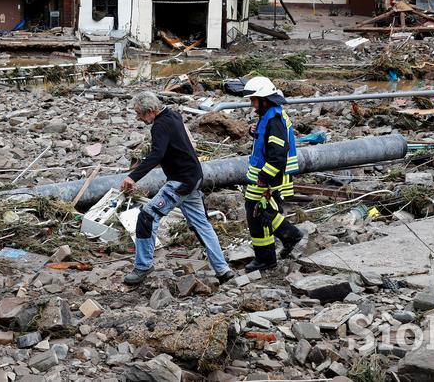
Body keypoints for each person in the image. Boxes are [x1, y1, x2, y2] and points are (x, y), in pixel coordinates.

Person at [120, 91, 232, 285]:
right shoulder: (173, 115)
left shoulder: (160, 126)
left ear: (150, 111)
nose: (138, 118)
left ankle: (142, 267)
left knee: (146, 217)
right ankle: (223, 270)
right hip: (194, 178)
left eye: (139, 113)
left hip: (179, 183)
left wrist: (133, 176)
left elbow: (157, 155)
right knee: (202, 225)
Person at [241, 76, 305, 271]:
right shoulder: (269, 115)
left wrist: (265, 178)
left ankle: (274, 251)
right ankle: (278, 247)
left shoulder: (273, 120)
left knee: (261, 212)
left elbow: (277, 155)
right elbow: (266, 141)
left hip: (270, 177)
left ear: (265, 99)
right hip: (266, 176)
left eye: (254, 99)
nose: (252, 104)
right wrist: (254, 131)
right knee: (259, 211)